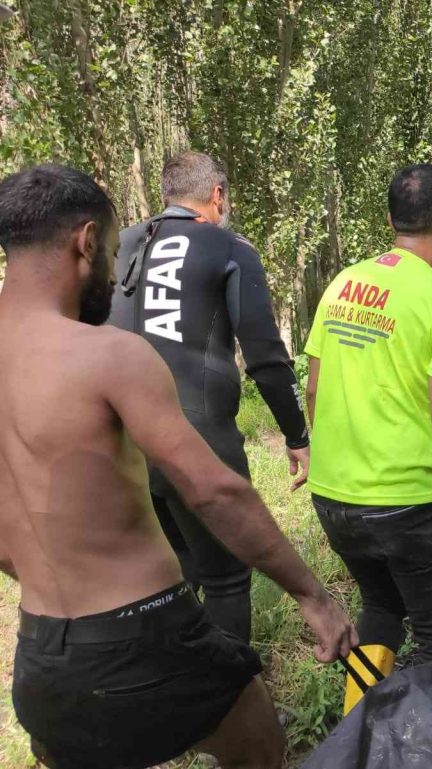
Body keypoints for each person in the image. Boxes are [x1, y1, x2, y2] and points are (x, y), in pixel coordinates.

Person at [0, 164, 355, 769]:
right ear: (86, 242)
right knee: (259, 743)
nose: (114, 271)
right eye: (112, 253)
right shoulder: (108, 355)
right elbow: (216, 492)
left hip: (41, 659)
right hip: (142, 633)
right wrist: (313, 595)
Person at [305, 164, 432, 714]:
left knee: (379, 608)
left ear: (392, 220)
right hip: (413, 507)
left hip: (335, 498)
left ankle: (357, 737)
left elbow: (315, 390)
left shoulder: (344, 284)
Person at [109, 152, 310, 643]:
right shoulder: (227, 247)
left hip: (119, 440)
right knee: (225, 577)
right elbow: (263, 352)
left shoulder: (121, 244)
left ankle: (172, 693)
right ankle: (231, 708)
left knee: (164, 578)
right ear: (216, 195)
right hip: (197, 439)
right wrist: (296, 433)